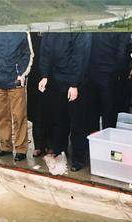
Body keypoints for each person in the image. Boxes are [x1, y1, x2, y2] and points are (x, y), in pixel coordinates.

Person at [38, 32, 92, 172]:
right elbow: (45, 50)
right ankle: (60, 153)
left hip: (75, 82)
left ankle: (79, 159)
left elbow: (81, 56)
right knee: (58, 120)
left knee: (77, 123)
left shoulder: (80, 29)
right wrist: (44, 75)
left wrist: (74, 84)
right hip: (56, 80)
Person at [0, 32, 33, 162]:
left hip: (16, 81)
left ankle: (21, 149)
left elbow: (27, 54)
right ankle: (5, 147)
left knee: (19, 116)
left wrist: (21, 73)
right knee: (1, 116)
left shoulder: (21, 31)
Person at [87, 32, 132, 131]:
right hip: (110, 75)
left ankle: (94, 142)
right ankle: (107, 142)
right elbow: (122, 54)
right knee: (109, 116)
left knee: (92, 114)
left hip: (91, 73)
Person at [26, 32, 51, 158]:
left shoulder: (51, 30)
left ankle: (50, 144)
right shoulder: (30, 32)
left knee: (50, 109)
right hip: (34, 74)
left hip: (50, 74)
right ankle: (38, 145)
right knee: (36, 111)